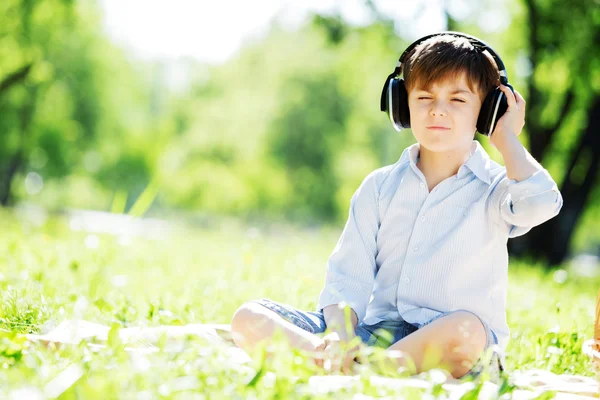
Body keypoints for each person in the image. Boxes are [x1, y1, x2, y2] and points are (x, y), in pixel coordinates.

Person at [230, 32, 563, 383]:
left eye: (458, 99)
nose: (437, 109)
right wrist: (340, 335)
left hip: (449, 339)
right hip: (376, 335)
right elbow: (348, 277)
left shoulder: (497, 188)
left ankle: (357, 373)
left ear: (488, 111)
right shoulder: (379, 187)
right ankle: (358, 365)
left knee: (466, 330)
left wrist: (506, 139)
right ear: (402, 105)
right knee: (248, 317)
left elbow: (543, 204)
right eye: (424, 96)